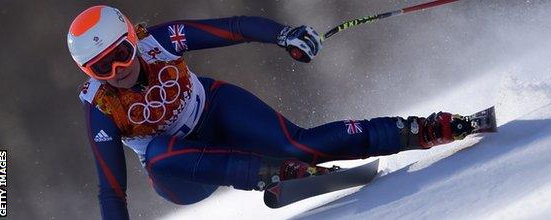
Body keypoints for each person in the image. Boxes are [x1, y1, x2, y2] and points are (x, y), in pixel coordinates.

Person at [68, 5, 468, 220]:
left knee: (299, 145)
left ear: (133, 39)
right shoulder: (100, 106)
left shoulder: (161, 40)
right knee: (157, 154)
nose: (118, 71)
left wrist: (284, 35)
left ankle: (421, 130)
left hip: (215, 112)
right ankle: (270, 173)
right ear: (89, 73)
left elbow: (235, 28)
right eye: (102, 68)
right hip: (183, 174)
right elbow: (112, 191)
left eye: (121, 55)